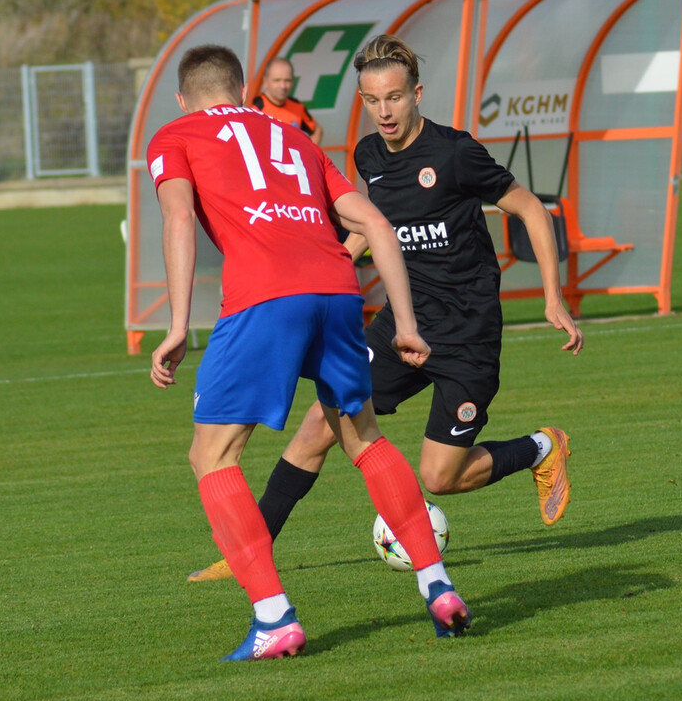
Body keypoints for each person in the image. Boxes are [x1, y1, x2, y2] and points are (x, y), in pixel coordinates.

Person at [189, 34, 584, 584]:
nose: (384, 112)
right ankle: (244, 556)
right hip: (400, 327)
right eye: (372, 101)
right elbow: (373, 230)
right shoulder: (368, 155)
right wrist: (323, 265)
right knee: (315, 431)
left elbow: (531, 210)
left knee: (441, 478)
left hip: (467, 334)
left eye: (394, 98)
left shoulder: (455, 153)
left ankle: (543, 446)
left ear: (416, 93)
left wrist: (552, 297)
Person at [146, 44, 470, 661]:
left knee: (212, 456)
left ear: (185, 97)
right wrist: (404, 323)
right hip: (336, 292)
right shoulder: (293, 136)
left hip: (263, 299)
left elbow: (179, 218)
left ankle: (274, 617)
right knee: (364, 438)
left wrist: (177, 323)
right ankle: (438, 586)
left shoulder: (176, 133)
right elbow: (375, 225)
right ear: (243, 93)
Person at [251, 57, 324, 145]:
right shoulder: (256, 110)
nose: (283, 86)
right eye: (277, 80)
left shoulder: (297, 107)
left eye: (287, 80)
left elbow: (317, 131)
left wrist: (306, 155)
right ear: (265, 81)